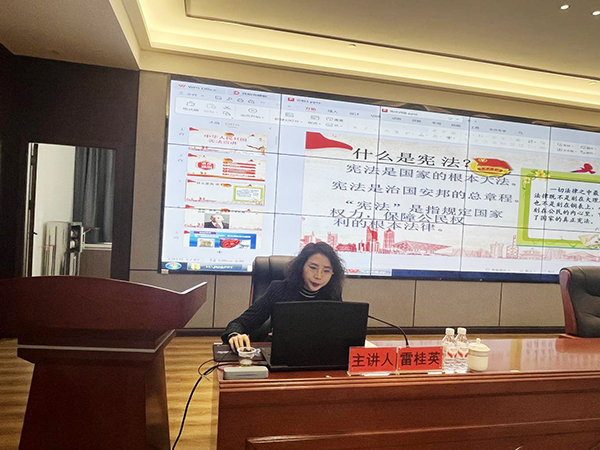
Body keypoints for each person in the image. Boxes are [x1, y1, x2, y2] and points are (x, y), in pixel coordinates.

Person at [222, 242, 345, 351]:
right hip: (281, 352)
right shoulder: (279, 290)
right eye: (313, 267)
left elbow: (338, 331)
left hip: (317, 355)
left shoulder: (332, 294)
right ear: (301, 267)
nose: (318, 276)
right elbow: (239, 323)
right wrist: (234, 335)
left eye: (326, 270)